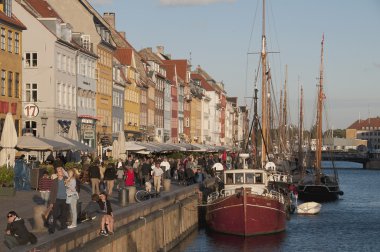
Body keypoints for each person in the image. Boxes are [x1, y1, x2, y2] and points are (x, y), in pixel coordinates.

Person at [48, 167, 69, 233]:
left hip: (65, 199)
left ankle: (63, 226)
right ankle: (52, 228)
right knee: (55, 214)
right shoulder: (55, 181)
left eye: (62, 171)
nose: (61, 172)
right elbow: (52, 192)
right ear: (57, 173)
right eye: (59, 171)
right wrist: (51, 202)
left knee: (64, 214)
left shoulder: (67, 179)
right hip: (57, 199)